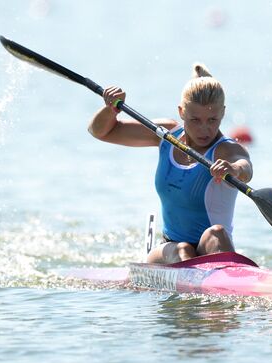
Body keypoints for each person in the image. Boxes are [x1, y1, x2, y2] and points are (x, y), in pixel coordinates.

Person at [88, 63, 253, 264]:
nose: (204, 129)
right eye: (195, 119)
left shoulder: (227, 150)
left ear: (223, 113)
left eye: (212, 119)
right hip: (169, 249)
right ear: (181, 112)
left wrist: (233, 169)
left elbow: (245, 168)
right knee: (183, 250)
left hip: (212, 248)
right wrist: (110, 109)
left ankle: (228, 277)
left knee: (216, 233)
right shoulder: (165, 134)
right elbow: (100, 131)